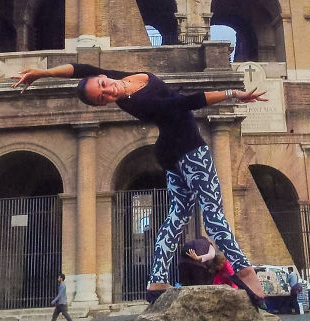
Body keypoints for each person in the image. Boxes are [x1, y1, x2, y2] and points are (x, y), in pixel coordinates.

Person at [13, 64, 269, 306]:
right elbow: (185, 103)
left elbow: (78, 69)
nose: (108, 90)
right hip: (189, 150)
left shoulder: (120, 79)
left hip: (170, 152)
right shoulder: (139, 103)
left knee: (177, 217)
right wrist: (233, 94)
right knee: (213, 213)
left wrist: (42, 73)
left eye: (103, 84)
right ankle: (244, 269)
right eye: (103, 97)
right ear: (104, 104)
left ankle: (157, 281)